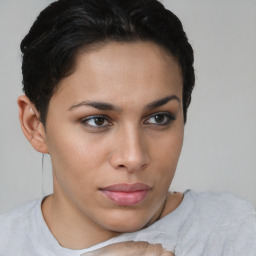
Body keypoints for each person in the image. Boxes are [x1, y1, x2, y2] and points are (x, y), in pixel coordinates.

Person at [0, 0, 255, 255]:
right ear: (35, 126)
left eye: (159, 118)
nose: (133, 158)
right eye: (97, 120)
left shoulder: (237, 235)